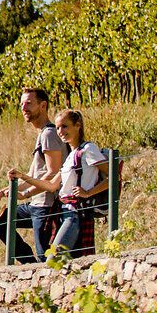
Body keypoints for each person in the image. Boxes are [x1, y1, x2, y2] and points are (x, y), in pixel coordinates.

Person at [0, 87, 67, 263]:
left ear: (43, 105)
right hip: (37, 204)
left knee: (47, 260)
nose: (24, 108)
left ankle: (31, 266)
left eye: (29, 103)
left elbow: (53, 172)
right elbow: (33, 174)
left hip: (46, 206)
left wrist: (26, 193)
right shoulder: (42, 134)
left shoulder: (50, 134)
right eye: (22, 104)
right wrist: (2, 192)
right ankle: (28, 264)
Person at [33, 109, 105, 256]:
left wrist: (88, 193)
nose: (60, 131)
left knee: (54, 259)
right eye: (58, 127)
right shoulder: (71, 155)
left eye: (64, 126)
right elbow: (52, 185)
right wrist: (22, 184)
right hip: (64, 212)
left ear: (77, 126)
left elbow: (113, 176)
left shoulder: (88, 149)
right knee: (69, 263)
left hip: (75, 214)